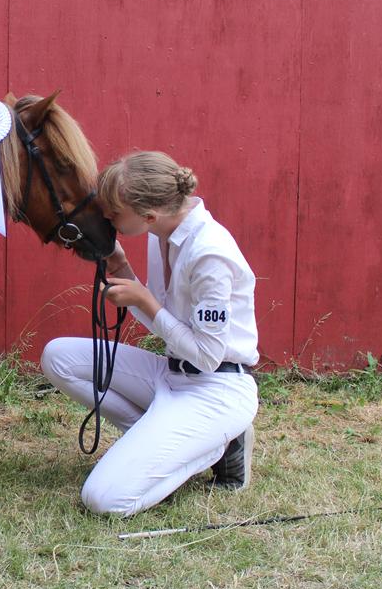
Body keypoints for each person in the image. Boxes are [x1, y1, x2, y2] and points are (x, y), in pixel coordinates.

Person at [40, 151, 259, 517]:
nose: (107, 218)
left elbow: (206, 355)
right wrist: (122, 268)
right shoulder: (165, 235)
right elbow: (170, 321)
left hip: (216, 387)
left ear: (148, 215)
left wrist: (145, 301)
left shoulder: (209, 255)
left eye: (113, 212)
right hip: (171, 374)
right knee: (58, 357)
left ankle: (216, 445)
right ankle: (161, 440)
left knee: (103, 500)